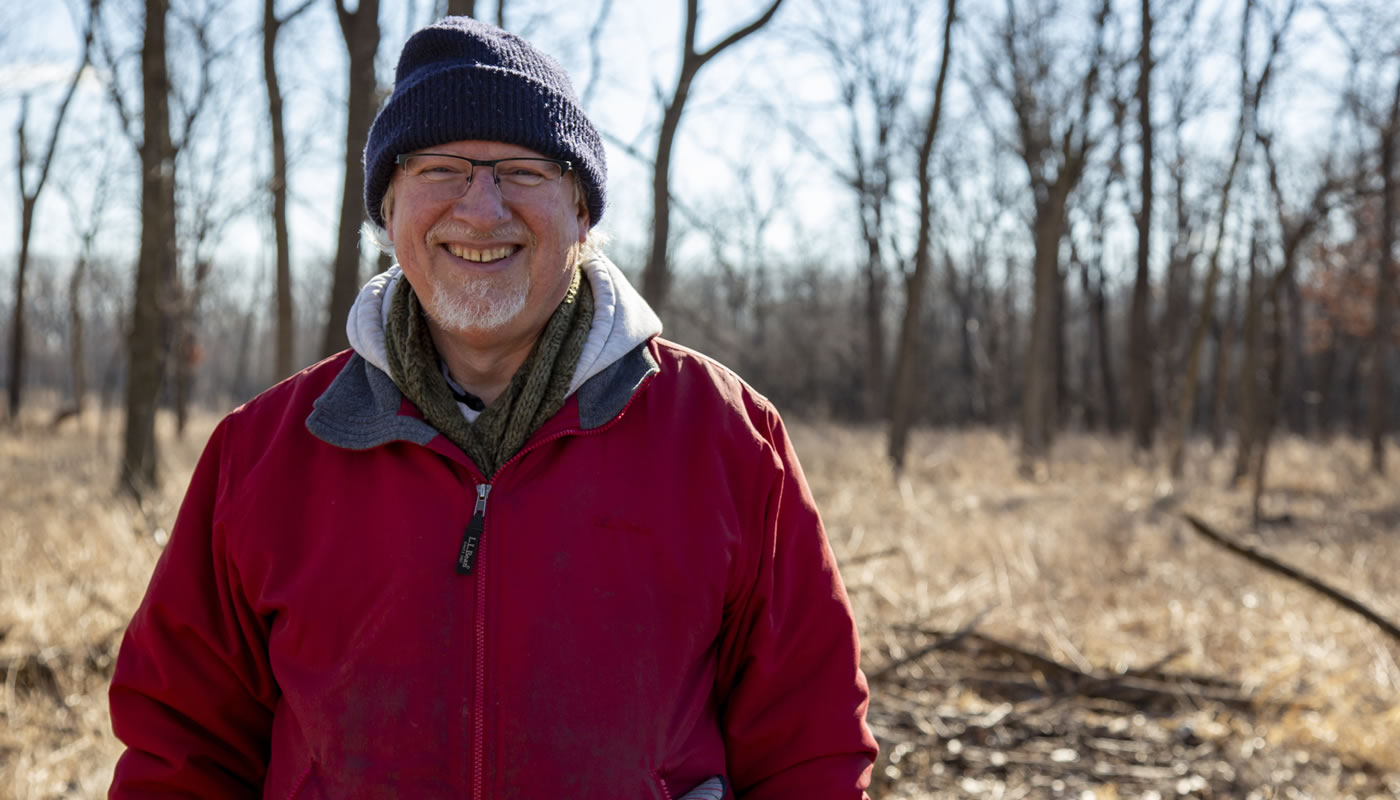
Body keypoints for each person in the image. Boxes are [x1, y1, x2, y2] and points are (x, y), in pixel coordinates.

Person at [108, 16, 876, 799]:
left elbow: (809, 747)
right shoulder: (264, 454)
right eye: (441, 168)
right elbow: (180, 747)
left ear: (583, 212)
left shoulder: (725, 438)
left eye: (524, 171)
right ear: (389, 210)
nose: (481, 208)